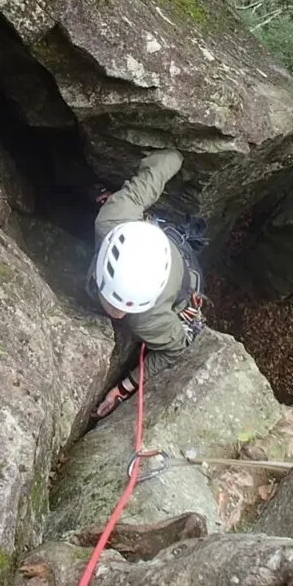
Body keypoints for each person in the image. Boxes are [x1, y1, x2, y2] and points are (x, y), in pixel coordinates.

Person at [87, 149, 207, 418]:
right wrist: (176, 155)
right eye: (113, 303)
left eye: (124, 308)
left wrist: (123, 387)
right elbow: (155, 174)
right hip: (159, 243)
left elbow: (175, 349)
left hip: (185, 277)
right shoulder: (112, 217)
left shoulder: (150, 319)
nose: (117, 314)